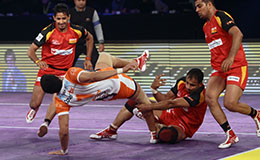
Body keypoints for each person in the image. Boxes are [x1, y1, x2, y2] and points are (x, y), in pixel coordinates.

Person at [38, 50, 155, 155]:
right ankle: (154, 133)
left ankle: (112, 130)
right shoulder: (71, 74)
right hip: (120, 83)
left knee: (104, 57)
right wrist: (122, 70)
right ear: (57, 77)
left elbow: (63, 131)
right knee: (145, 103)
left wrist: (63, 149)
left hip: (105, 95)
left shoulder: (60, 101)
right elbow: (92, 77)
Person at [194, 0, 260, 149]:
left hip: (236, 65)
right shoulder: (205, 27)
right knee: (210, 98)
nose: (197, 10)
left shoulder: (221, 16)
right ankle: (230, 134)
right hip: (220, 69)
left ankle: (256, 114)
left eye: (199, 6)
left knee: (230, 104)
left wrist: (230, 57)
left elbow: (238, 34)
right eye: (196, 7)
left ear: (209, 4)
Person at [90, 68, 207, 144]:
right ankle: (112, 130)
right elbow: (166, 99)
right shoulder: (181, 83)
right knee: (134, 102)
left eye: (192, 85)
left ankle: (156, 127)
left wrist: (148, 108)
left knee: (167, 135)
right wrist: (154, 90)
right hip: (169, 115)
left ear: (200, 84)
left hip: (184, 126)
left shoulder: (199, 95)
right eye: (187, 83)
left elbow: (172, 103)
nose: (188, 87)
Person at [26, 3, 94, 123]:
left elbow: (90, 38)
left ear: (68, 17)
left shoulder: (77, 30)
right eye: (58, 19)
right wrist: (38, 61)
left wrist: (88, 58)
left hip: (64, 72)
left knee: (58, 99)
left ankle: (46, 122)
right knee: (34, 103)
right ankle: (34, 109)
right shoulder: (47, 32)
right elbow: (31, 50)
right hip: (47, 70)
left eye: (63, 18)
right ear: (54, 18)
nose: (61, 21)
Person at [69, 0, 105, 68]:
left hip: (88, 43)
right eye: (79, 0)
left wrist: (101, 42)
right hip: (74, 44)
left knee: (97, 62)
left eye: (83, 0)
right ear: (74, 1)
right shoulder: (69, 13)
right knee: (68, 64)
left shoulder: (92, 11)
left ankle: (100, 76)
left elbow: (97, 27)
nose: (81, 2)